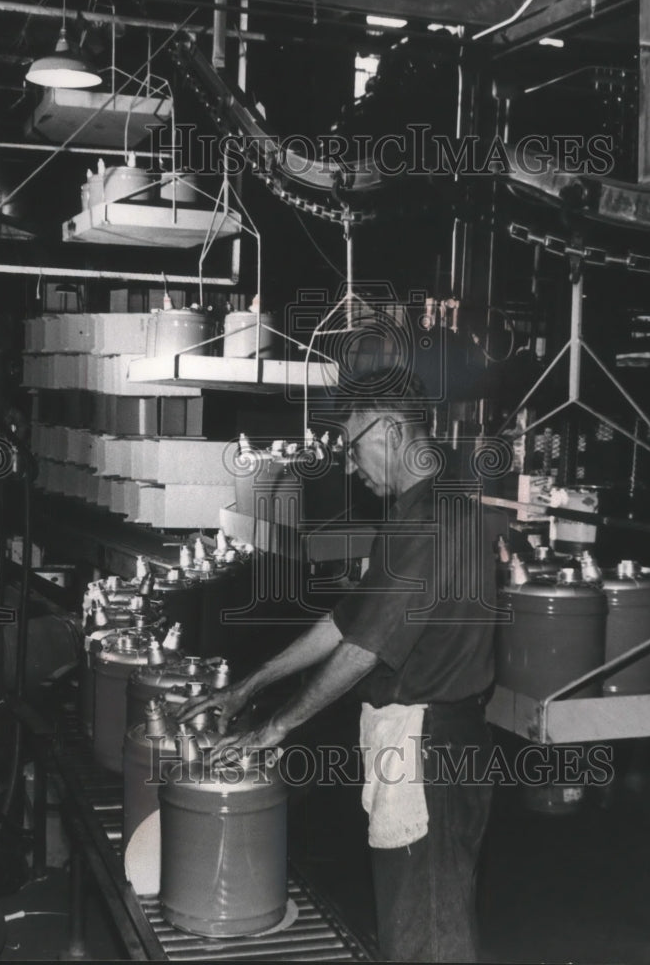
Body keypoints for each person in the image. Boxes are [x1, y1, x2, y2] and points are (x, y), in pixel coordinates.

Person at [179, 375, 499, 962]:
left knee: (427, 934)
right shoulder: (413, 515)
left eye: (353, 447)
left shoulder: (432, 522)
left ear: (392, 431)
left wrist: (275, 726)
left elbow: (362, 652)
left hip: (433, 750)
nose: (350, 468)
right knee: (416, 917)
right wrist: (249, 688)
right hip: (419, 741)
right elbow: (343, 624)